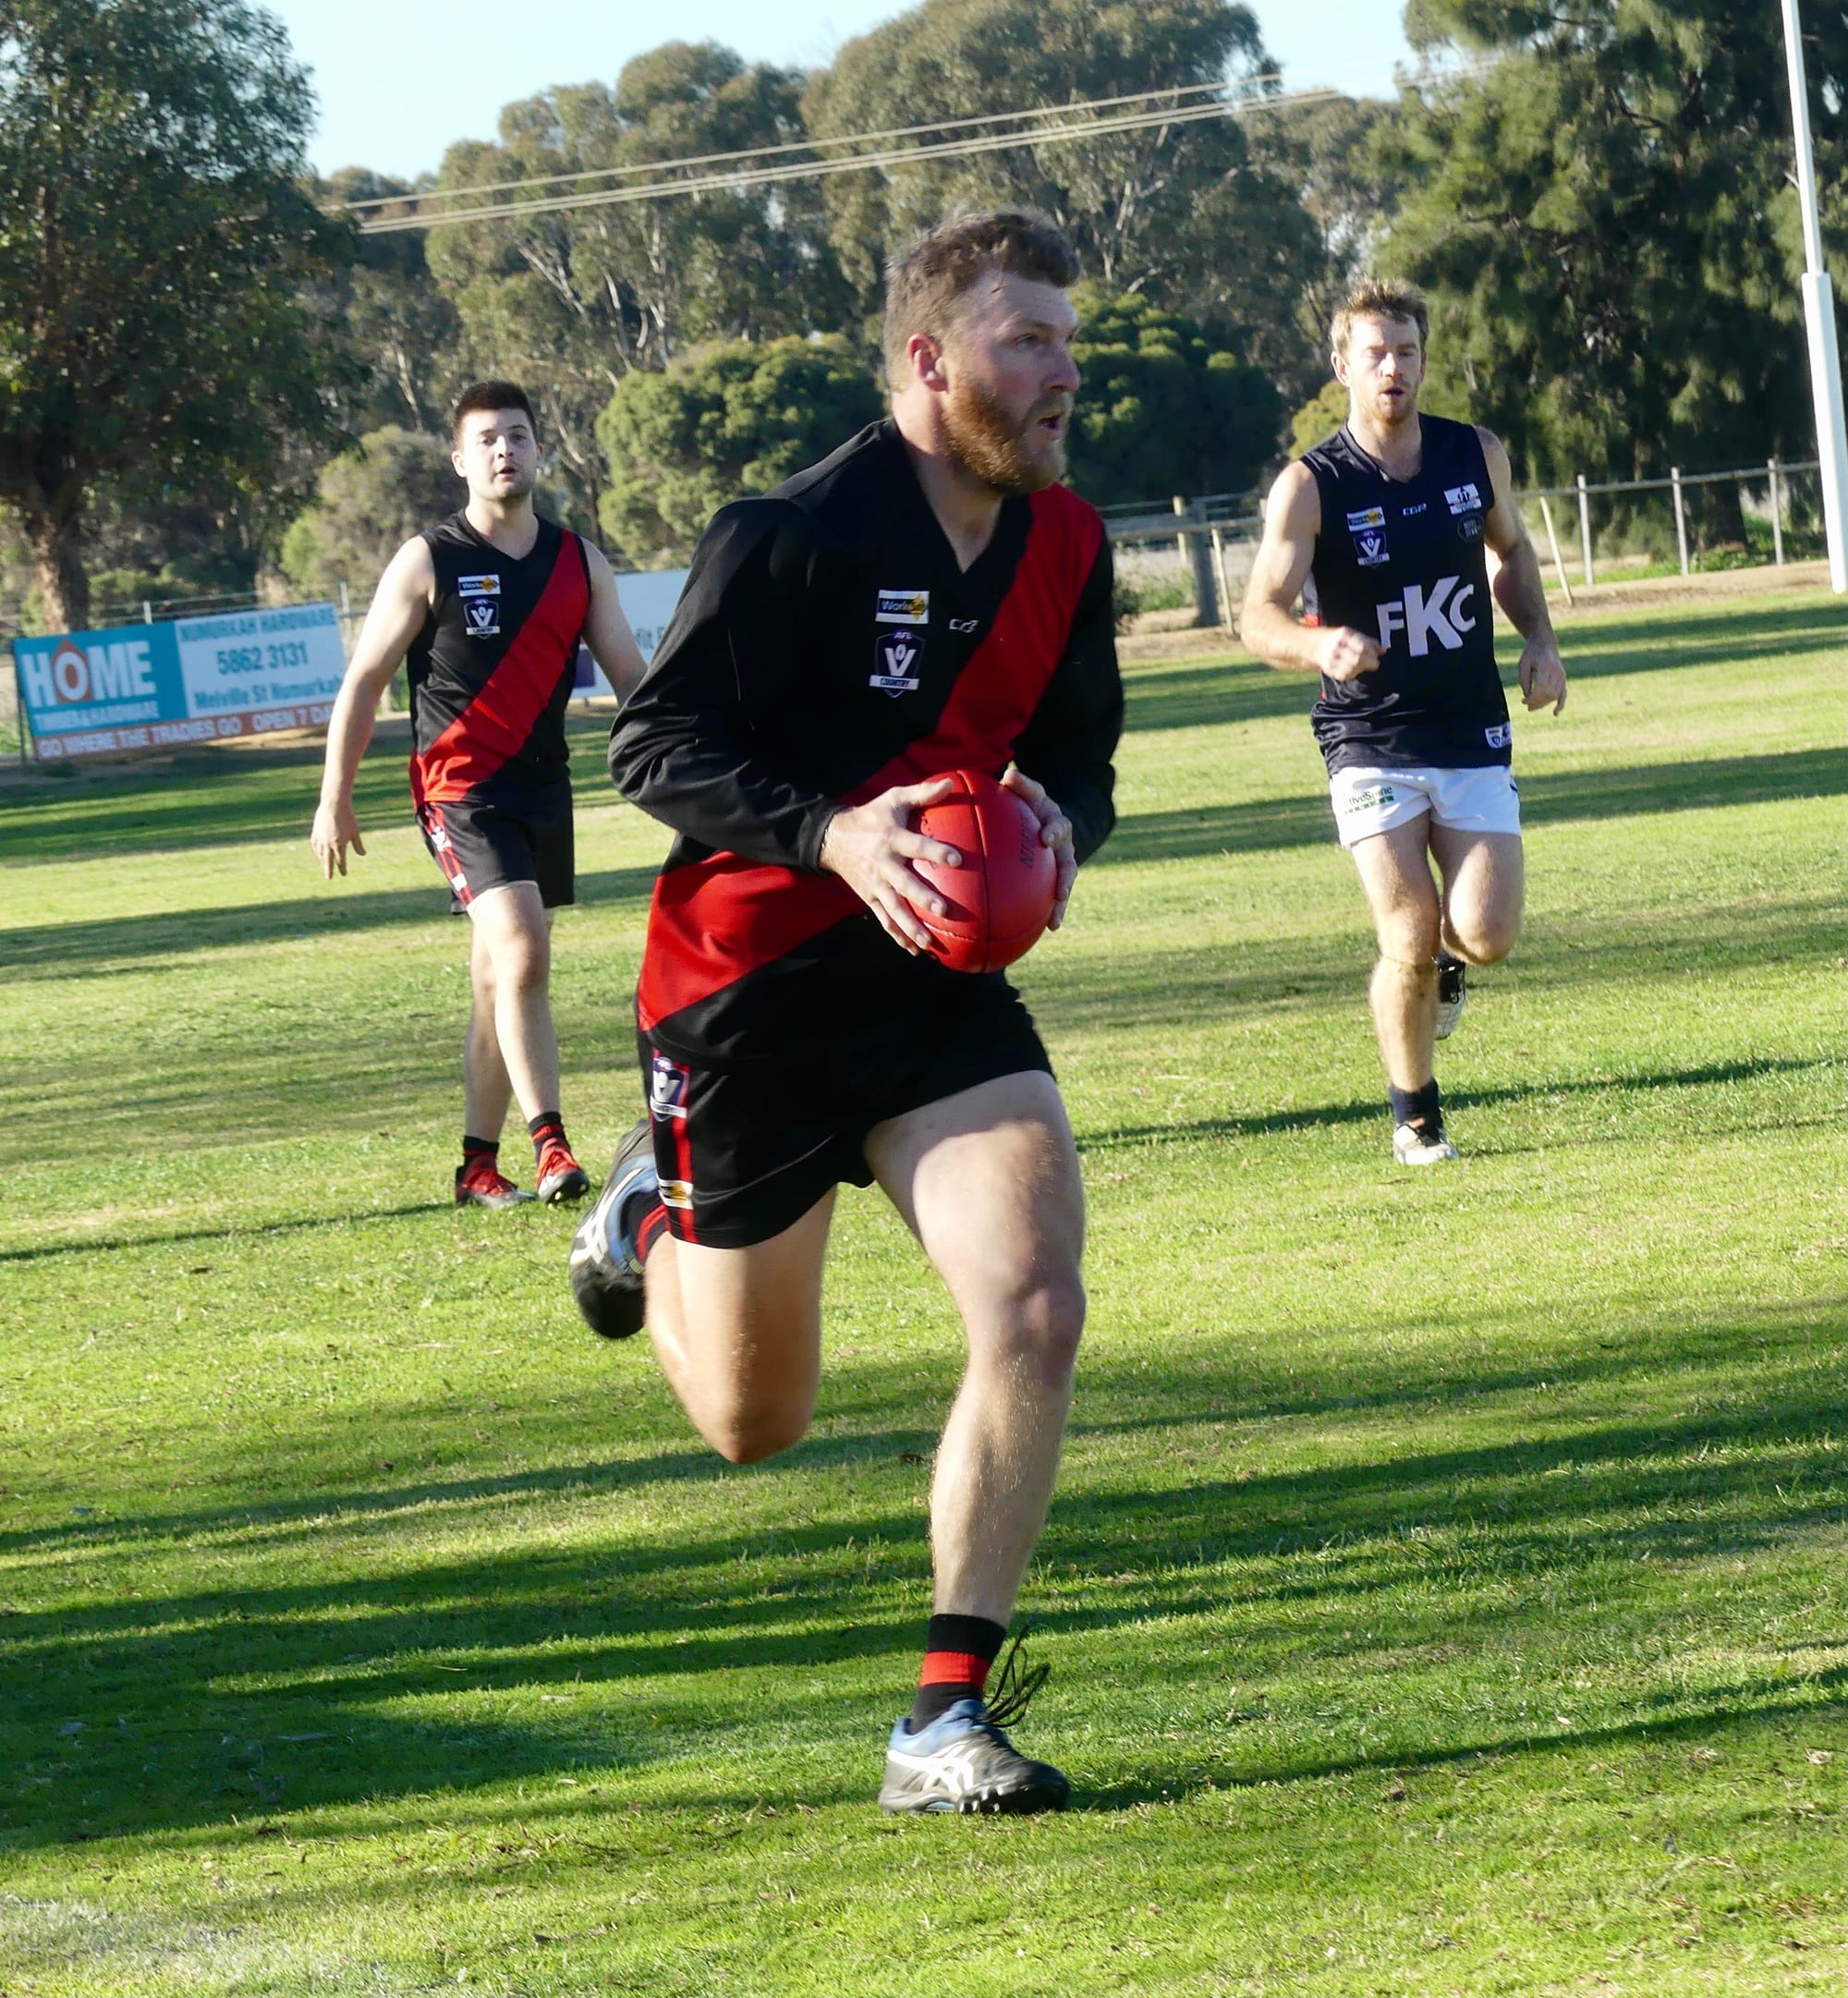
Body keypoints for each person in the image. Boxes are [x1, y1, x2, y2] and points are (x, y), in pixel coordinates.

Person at [571, 213, 1122, 1813]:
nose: (1063, 371)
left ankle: (941, 1720)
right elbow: (655, 745)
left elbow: (1080, 751)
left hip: (936, 988)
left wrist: (1063, 823)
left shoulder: (1068, 542)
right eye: (1028, 340)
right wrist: (831, 832)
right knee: (754, 1422)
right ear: (930, 361)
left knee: (1037, 1306)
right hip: (747, 992)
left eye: (1067, 340)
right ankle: (646, 1215)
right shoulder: (791, 533)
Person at [1241, 279, 1567, 1164]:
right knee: (1408, 931)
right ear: (1342, 365)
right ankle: (1416, 1116)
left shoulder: (1475, 454)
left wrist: (1540, 641)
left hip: (1468, 724)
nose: (1394, 367)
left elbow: (1511, 551)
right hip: (1368, 736)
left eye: (1408, 351)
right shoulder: (1311, 485)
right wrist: (1317, 646)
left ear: (1424, 360)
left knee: (1486, 936)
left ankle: (1447, 969)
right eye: (1376, 353)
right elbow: (1258, 616)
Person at [311, 381, 647, 1207]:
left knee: (499, 978)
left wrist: (707, 752)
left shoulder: (579, 561)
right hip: (459, 791)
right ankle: (553, 1147)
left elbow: (633, 680)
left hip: (544, 790)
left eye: (519, 436)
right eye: (487, 439)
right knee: (524, 948)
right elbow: (364, 682)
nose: (505, 451)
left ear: (540, 452)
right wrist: (334, 796)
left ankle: (476, 1167)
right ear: (460, 460)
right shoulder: (429, 559)